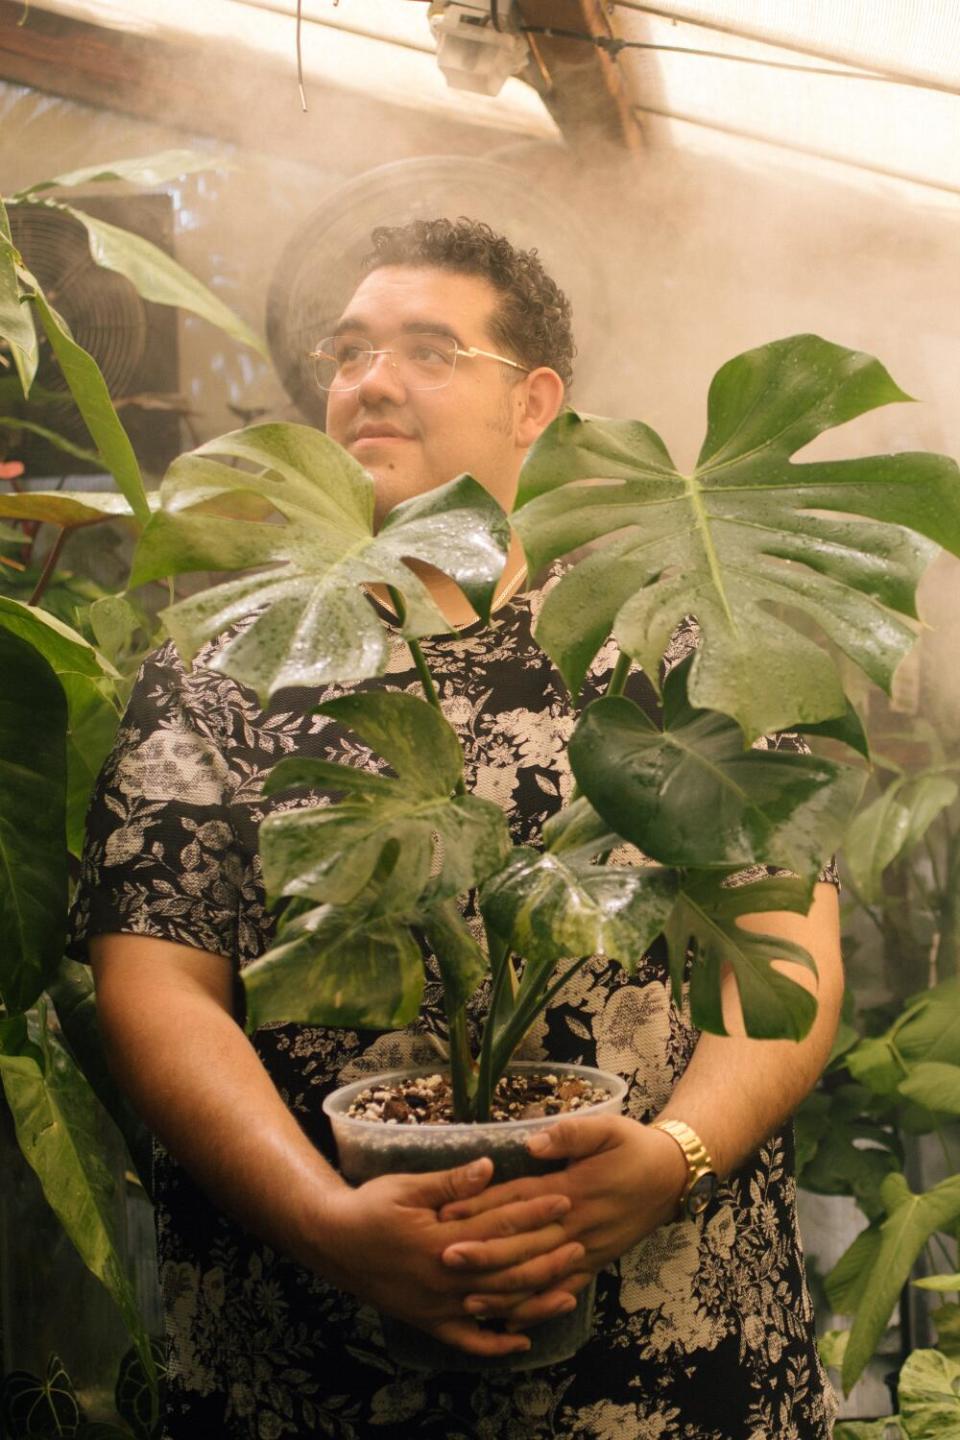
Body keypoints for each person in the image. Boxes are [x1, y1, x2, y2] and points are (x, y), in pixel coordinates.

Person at [70, 218, 843, 1439]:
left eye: (428, 350)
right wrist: (327, 1223)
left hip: (669, 1363)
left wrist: (673, 1158)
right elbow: (157, 980)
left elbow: (785, 945)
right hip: (312, 1365)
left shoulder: (671, 646)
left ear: (535, 401)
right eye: (349, 353)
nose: (369, 380)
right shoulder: (232, 661)